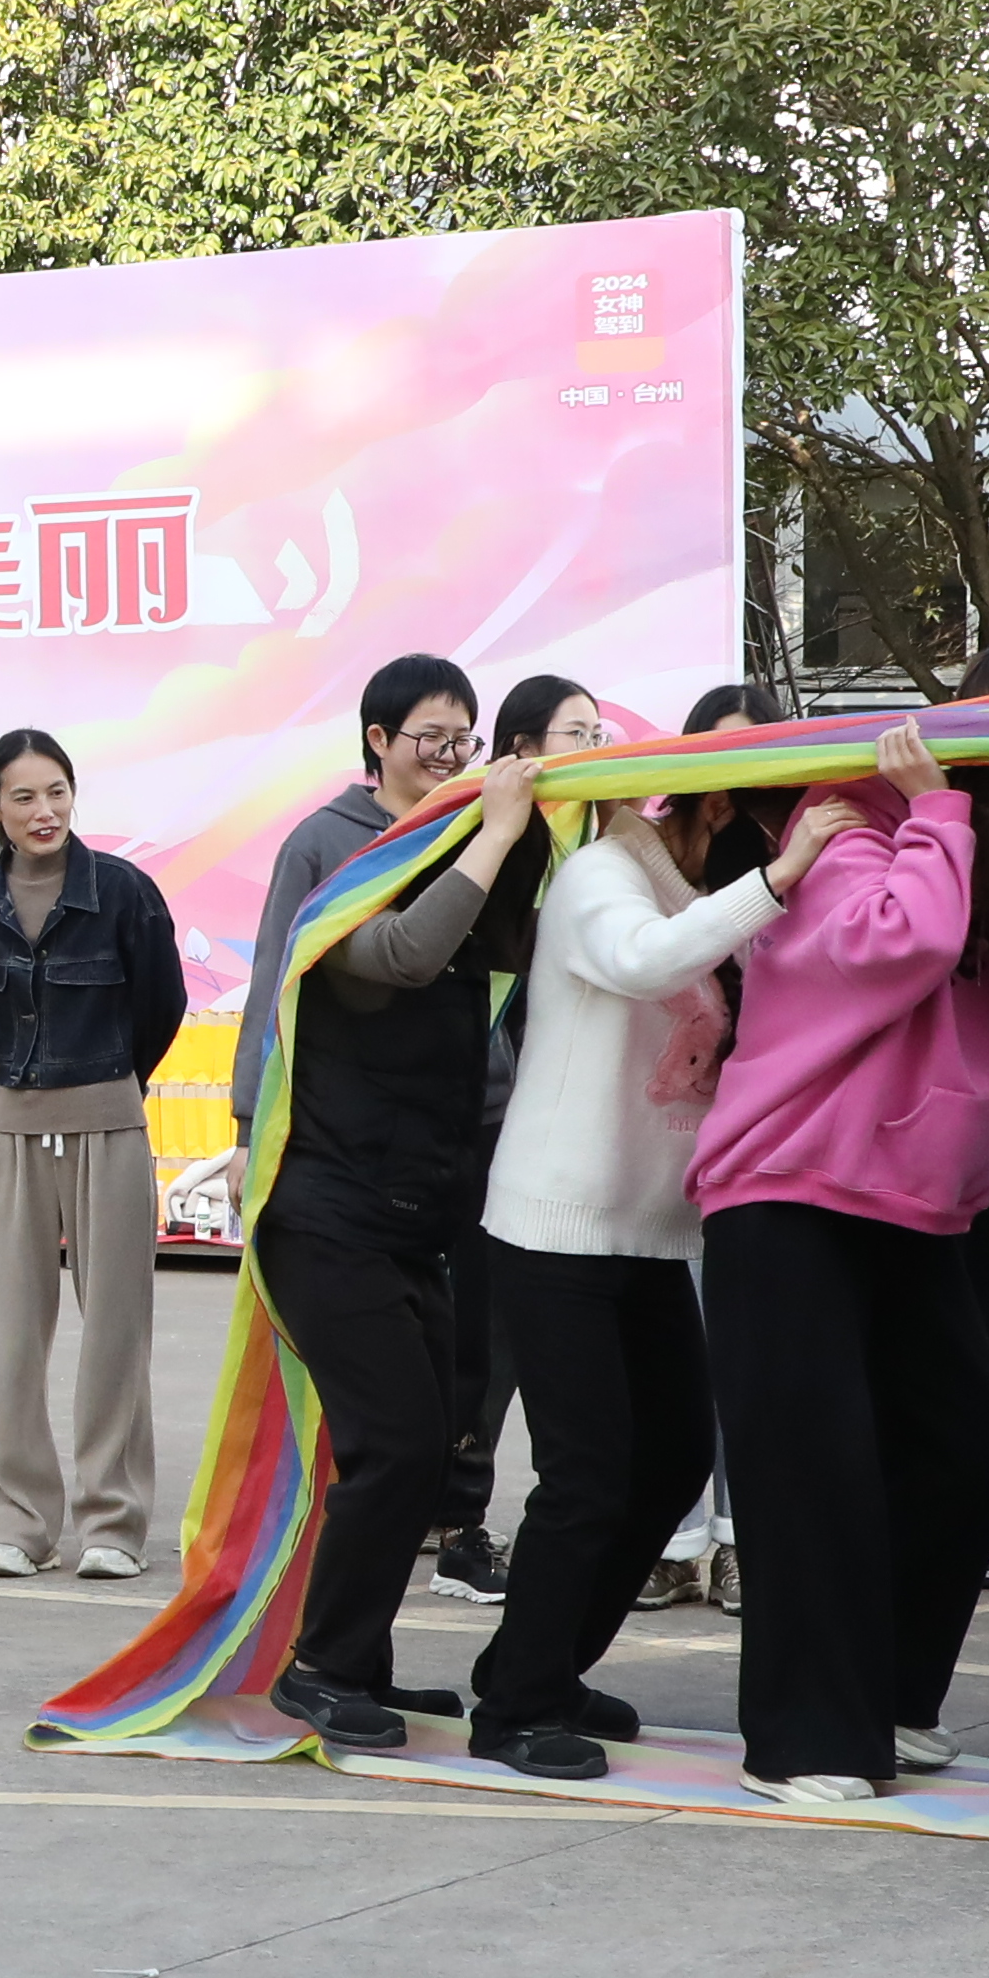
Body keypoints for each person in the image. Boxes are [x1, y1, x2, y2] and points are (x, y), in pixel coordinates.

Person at [682, 702, 989, 1806]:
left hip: (908, 1206)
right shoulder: (844, 834)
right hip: (789, 1190)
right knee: (809, 1476)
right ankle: (804, 1738)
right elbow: (898, 943)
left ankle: (887, 1695)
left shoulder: (950, 853)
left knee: (970, 1444)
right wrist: (935, 812)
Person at [455, 704, 809, 1773]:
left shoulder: (691, 886)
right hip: (555, 1227)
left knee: (669, 1462)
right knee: (590, 1472)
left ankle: (546, 1663)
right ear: (711, 802)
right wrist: (781, 878)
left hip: (650, 1235)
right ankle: (514, 1706)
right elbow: (647, 962)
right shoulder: (603, 876)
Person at [242, 656, 553, 1749]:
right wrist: (497, 835)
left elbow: (511, 944)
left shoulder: (458, 833)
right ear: (376, 739)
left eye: (464, 737)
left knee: (421, 1449)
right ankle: (322, 1666)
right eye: (431, 736)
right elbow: (401, 957)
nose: (451, 754)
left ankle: (359, 1661)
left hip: (421, 1203)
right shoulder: (333, 845)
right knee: (396, 1442)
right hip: (325, 1200)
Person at [0, 728, 185, 1583]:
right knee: (9, 1336)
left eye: (56, 792)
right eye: (23, 797)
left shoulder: (124, 892)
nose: (44, 812)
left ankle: (112, 1524)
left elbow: (161, 1007)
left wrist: (105, 1090)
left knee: (115, 1332)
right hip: (7, 1129)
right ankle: (17, 1522)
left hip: (109, 1124)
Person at [426, 681, 631, 1602]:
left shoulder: (604, 844)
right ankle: (449, 1519)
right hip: (466, 1124)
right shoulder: (489, 839)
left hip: (558, 1127)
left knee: (521, 1341)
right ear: (521, 748)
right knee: (468, 1335)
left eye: (600, 730)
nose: (594, 744)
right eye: (576, 734)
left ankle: (482, 1517)